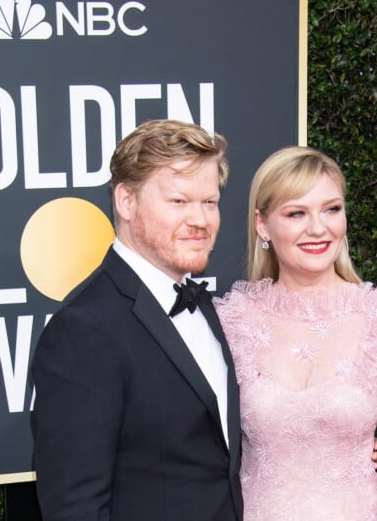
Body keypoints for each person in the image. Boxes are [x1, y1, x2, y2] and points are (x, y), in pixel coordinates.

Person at [31, 119, 243, 521]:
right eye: (179, 201)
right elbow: (75, 508)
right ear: (126, 201)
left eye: (210, 202)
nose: (201, 220)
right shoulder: (84, 330)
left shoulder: (210, 309)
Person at [214, 146, 377, 520]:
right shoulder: (231, 322)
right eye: (296, 213)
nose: (318, 228)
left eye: (331, 209)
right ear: (263, 224)